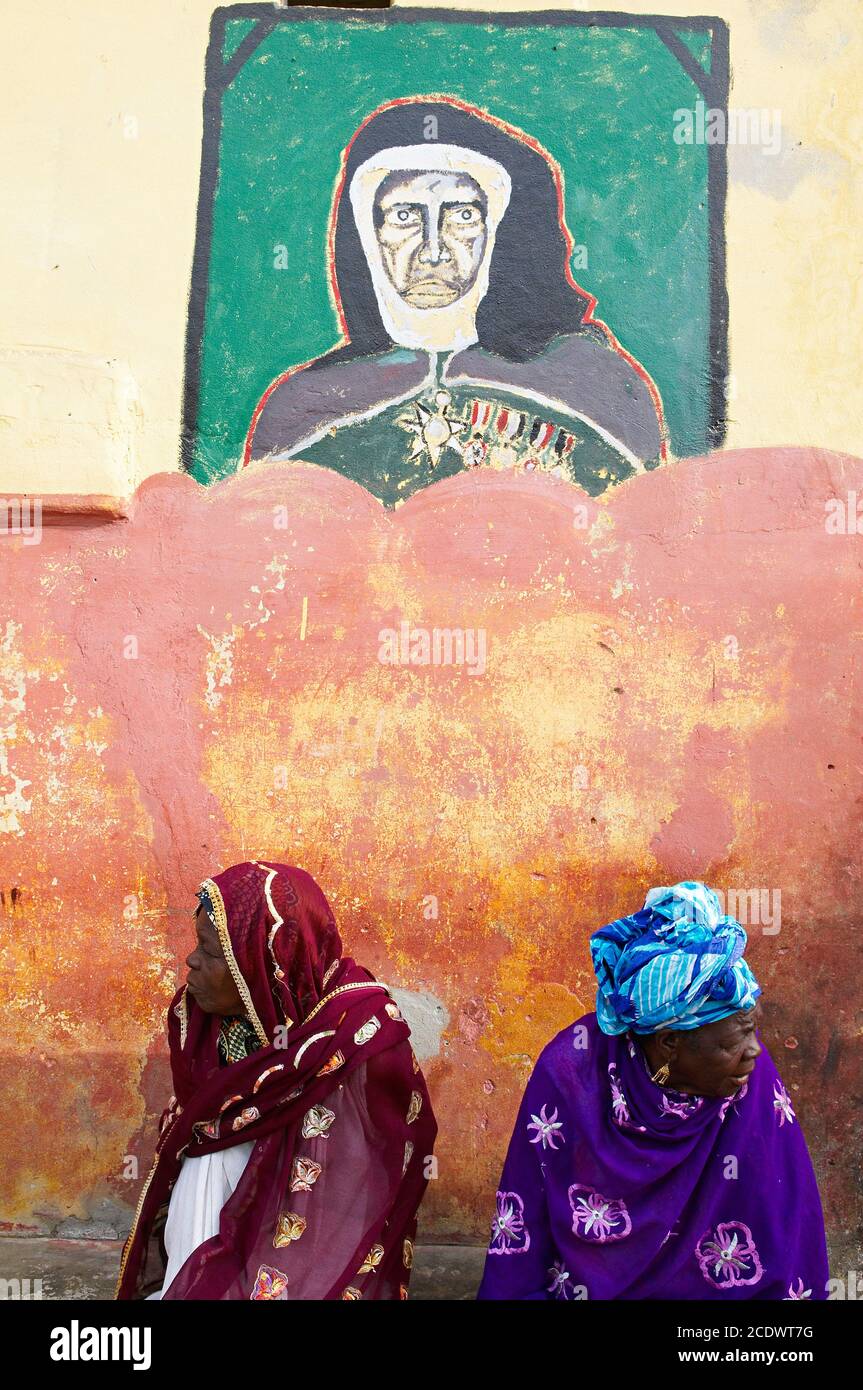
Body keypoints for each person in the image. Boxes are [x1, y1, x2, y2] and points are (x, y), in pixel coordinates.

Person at [246, 96, 666, 505]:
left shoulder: (599, 386)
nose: (433, 251)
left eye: (463, 215)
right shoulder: (302, 407)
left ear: (500, 229)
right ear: (368, 234)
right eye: (404, 216)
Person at [477, 881, 829, 1301]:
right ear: (669, 1043)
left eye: (752, 1032)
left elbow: (783, 1225)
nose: (753, 1051)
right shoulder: (571, 1073)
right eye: (733, 1042)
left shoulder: (750, 1082)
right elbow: (525, 1225)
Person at [116, 860, 436, 1300]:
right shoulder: (208, 1023)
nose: (190, 962)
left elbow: (366, 1178)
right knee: (208, 1153)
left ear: (261, 966)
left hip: (314, 1230)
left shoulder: (358, 1032)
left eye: (210, 952)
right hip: (227, 1212)